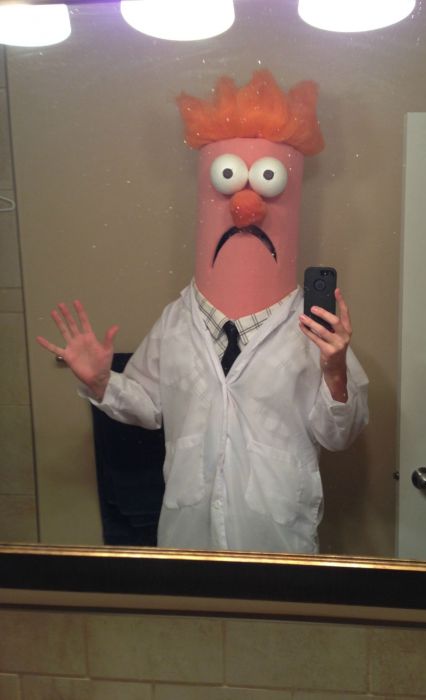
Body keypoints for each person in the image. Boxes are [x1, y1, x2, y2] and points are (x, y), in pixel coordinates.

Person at [37, 71, 368, 554]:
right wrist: (102, 382)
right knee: (190, 606)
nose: (245, 207)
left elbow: (339, 436)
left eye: (267, 181)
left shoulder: (315, 331)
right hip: (188, 538)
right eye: (228, 179)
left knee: (272, 607)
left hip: (277, 540)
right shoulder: (177, 322)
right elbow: (149, 407)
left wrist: (335, 370)